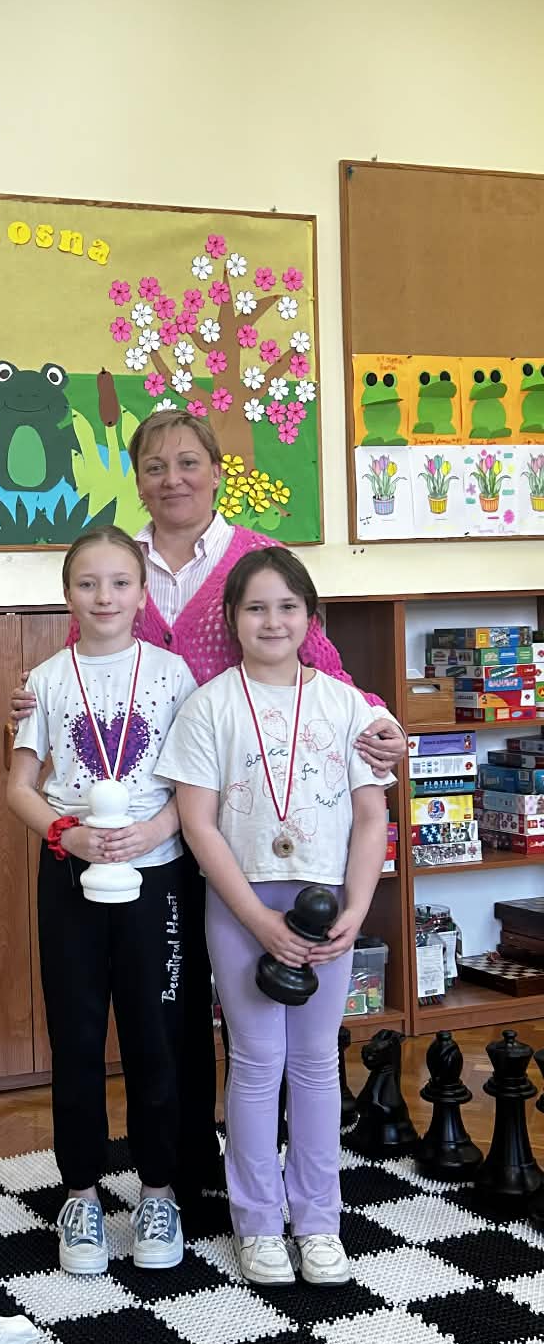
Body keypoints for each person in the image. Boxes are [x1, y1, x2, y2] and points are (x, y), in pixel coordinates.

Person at [8, 413, 406, 1207]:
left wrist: (382, 725)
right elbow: (84, 673)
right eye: (155, 466)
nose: (173, 479)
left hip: (243, 821)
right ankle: (181, 1172)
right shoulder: (118, 563)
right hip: (155, 826)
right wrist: (29, 705)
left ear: (218, 471)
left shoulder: (255, 562)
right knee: (173, 1005)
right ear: (137, 479)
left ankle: (259, 1177)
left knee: (230, 1006)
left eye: (188, 462)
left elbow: (323, 673)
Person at [158, 546, 392, 1287]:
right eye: (256, 607)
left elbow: (371, 816)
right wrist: (257, 919)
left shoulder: (349, 706)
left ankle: (318, 1222)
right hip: (241, 905)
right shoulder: (209, 706)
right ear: (232, 618)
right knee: (257, 1062)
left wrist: (358, 906)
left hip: (326, 905)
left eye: (287, 607)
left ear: (310, 617)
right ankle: (258, 1223)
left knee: (317, 1063)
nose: (272, 621)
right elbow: (197, 824)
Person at [7, 527, 195, 1276]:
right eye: (88, 584)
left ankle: (158, 1192)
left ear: (143, 595)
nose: (105, 597)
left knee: (157, 1037)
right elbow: (19, 787)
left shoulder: (174, 674)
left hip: (159, 876)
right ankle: (81, 1193)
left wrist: (152, 831)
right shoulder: (46, 679)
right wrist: (68, 834)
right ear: (67, 596)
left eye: (120, 583)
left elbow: (195, 786)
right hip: (71, 875)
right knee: (77, 1035)